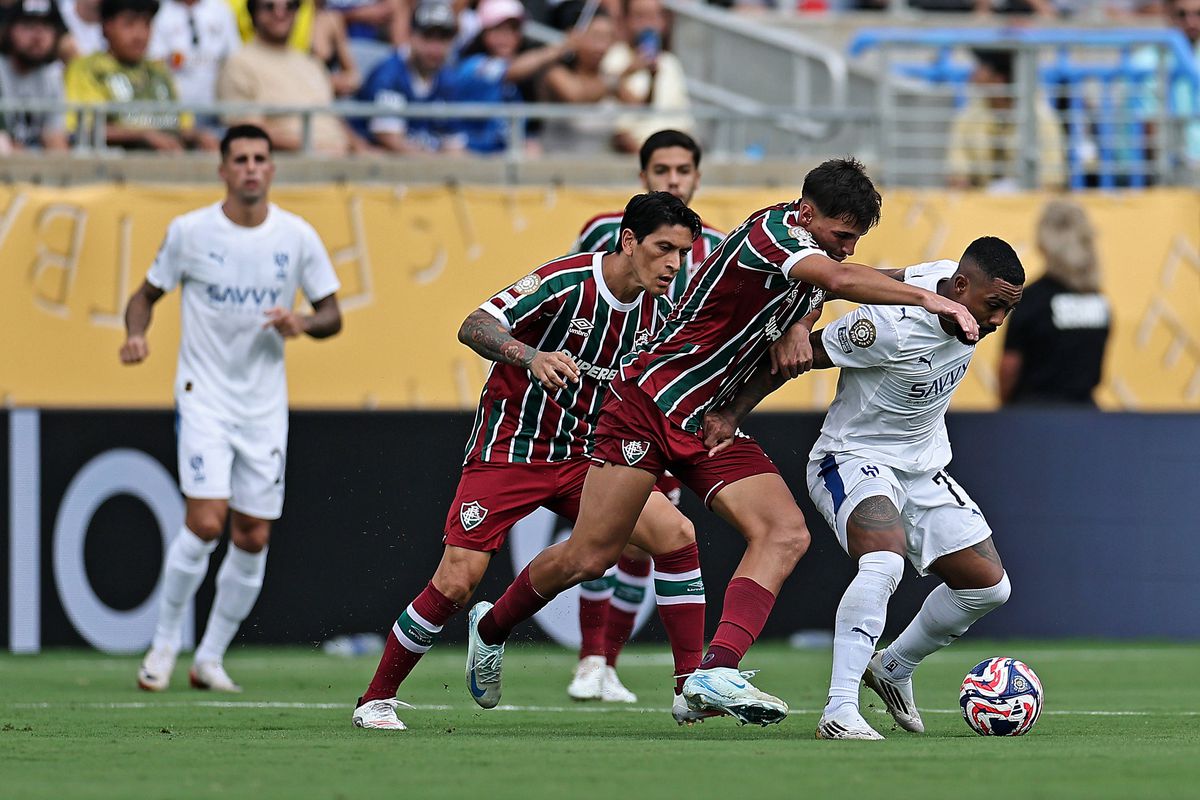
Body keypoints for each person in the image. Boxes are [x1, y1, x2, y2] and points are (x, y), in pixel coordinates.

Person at [463, 157, 981, 726]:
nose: (848, 250)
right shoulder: (772, 234)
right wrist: (932, 299)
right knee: (592, 555)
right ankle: (490, 627)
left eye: (855, 239)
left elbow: (834, 287)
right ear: (807, 213)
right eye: (842, 235)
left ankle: (714, 672)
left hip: (708, 421)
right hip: (648, 405)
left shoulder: (812, 256)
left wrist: (811, 322)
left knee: (783, 533)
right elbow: (837, 281)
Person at [350, 192, 712, 731]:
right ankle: (375, 699)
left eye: (682, 253)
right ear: (629, 241)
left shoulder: (666, 310)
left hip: (591, 455)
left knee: (675, 534)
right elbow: (473, 325)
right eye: (663, 249)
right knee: (455, 582)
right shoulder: (565, 282)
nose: (673, 264)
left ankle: (689, 689)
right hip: (511, 450)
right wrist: (530, 355)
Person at [704, 236, 1024, 738]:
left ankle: (893, 667)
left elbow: (883, 277)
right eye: (993, 306)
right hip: (852, 458)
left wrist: (806, 315)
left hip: (922, 468)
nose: (997, 322)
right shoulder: (883, 328)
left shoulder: (942, 275)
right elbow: (798, 355)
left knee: (989, 587)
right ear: (961, 286)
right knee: (884, 561)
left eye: (1007, 309)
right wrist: (731, 411)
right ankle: (838, 710)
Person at [121, 124, 343, 692]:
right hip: (204, 396)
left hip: (264, 406)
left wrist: (303, 322)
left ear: (272, 169)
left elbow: (331, 314)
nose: (250, 167)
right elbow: (144, 296)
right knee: (206, 520)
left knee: (252, 535)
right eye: (240, 158)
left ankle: (210, 658)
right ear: (222, 169)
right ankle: (165, 643)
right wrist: (136, 336)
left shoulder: (295, 236)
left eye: (260, 159)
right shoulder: (190, 232)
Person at [566, 129, 723, 703]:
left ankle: (608, 662)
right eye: (662, 168)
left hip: (673, 412)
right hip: (607, 407)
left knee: (647, 542)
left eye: (683, 169)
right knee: (600, 534)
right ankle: (588, 659)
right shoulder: (603, 232)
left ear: (697, 178)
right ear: (643, 176)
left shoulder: (718, 247)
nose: (673, 178)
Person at [64, 0, 218, 151]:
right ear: (106, 27)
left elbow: (182, 125)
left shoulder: (159, 71)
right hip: (115, 168)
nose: (140, 35)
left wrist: (199, 136)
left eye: (146, 24)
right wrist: (143, 135)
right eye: (129, 24)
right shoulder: (88, 69)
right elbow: (85, 129)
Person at [1000, 199, 1110, 406]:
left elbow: (1009, 366)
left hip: (1034, 414)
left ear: (1045, 244)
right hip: (1085, 414)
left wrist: (1006, 410)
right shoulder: (1097, 300)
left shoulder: (1032, 299)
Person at [218, 0, 362, 154]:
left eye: (290, 6)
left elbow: (331, 119)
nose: (280, 14)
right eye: (269, 7)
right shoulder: (239, 63)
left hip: (341, 163)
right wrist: (315, 149)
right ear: (253, 13)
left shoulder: (311, 63)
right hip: (292, 166)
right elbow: (248, 130)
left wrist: (363, 149)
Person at [452, 0, 576, 154]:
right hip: (469, 154)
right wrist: (560, 49)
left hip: (503, 157)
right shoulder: (471, 66)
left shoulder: (521, 77)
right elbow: (511, 71)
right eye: (498, 29)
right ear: (483, 32)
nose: (506, 37)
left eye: (513, 30)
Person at [945, 48, 1066, 190]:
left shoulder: (1042, 120)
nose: (973, 75)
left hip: (1027, 202)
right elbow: (957, 172)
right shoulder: (968, 117)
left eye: (981, 68)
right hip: (981, 203)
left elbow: (1051, 181)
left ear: (999, 79)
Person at [354, 0, 463, 153]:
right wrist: (439, 165)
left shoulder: (447, 79)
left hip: (426, 167)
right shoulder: (390, 74)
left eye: (443, 39)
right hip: (381, 170)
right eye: (428, 37)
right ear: (412, 36)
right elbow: (391, 141)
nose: (436, 48)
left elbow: (454, 145)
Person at [603, 0, 694, 154]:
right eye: (640, 16)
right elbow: (623, 129)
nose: (649, 25)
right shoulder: (614, 58)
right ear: (625, 21)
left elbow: (685, 123)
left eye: (654, 16)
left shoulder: (671, 63)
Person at [148, 0, 241, 116]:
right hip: (174, 109)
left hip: (216, 107)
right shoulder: (158, 11)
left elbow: (234, 56)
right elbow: (153, 60)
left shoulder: (220, 9)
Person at [0, 0, 70, 151]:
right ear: (9, 30)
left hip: (34, 166)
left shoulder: (52, 74)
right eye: (29, 26)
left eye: (46, 26)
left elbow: (55, 138)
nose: (38, 36)